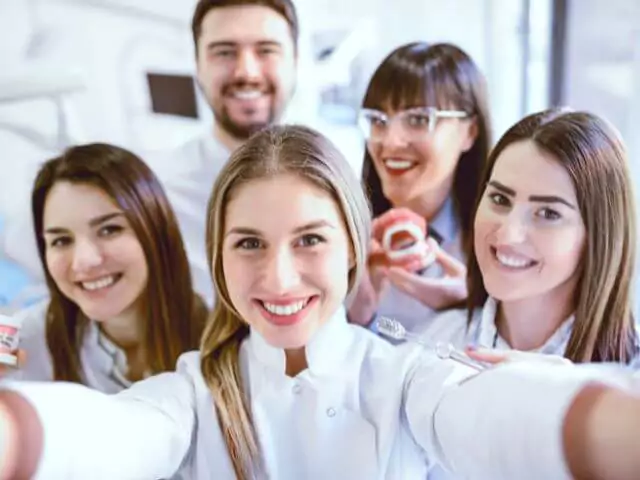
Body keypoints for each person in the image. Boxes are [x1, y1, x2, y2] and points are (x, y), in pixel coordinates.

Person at [1, 126, 640, 480]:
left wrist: (609, 428)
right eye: (249, 242)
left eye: (310, 239)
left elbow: (492, 416)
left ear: (353, 249)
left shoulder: (406, 374)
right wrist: (14, 435)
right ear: (216, 256)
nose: (279, 279)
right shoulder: (194, 391)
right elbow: (115, 434)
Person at [418, 109, 640, 368]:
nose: (509, 234)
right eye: (500, 199)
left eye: (548, 213)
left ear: (598, 235)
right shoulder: (429, 346)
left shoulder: (629, 382)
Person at [6, 143, 208, 392]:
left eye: (109, 230)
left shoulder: (226, 341)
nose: (84, 261)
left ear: (156, 230)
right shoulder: (23, 339)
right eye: (61, 240)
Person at [146, 0, 300, 305]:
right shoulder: (157, 194)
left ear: (295, 60)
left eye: (266, 50)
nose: (246, 72)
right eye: (224, 52)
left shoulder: (342, 183)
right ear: (198, 64)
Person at [347, 42, 491, 334]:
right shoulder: (346, 240)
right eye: (378, 120)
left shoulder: (497, 246)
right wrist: (356, 316)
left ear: (470, 131)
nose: (391, 141)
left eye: (418, 119)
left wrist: (474, 311)